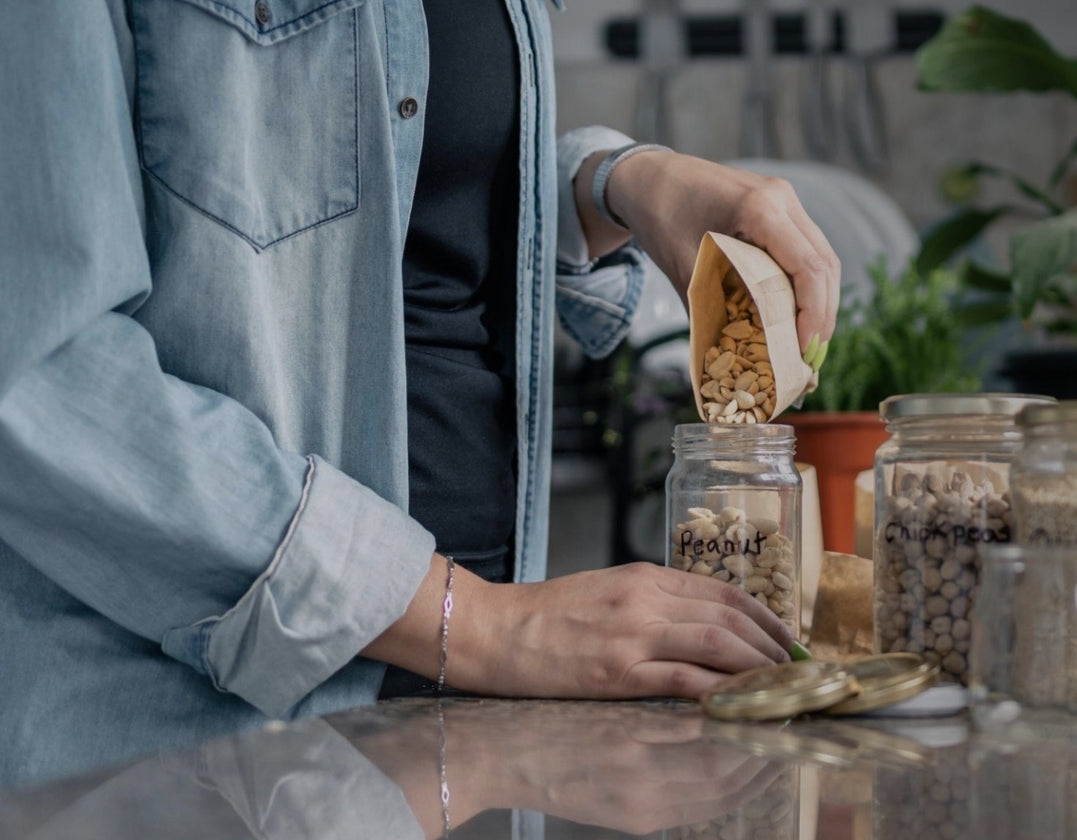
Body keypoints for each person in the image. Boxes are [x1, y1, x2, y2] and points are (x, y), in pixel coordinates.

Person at [0, 0, 840, 788]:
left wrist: (615, 182)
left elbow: (384, 183)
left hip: (465, 728)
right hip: (194, 745)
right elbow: (36, 371)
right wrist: (478, 624)